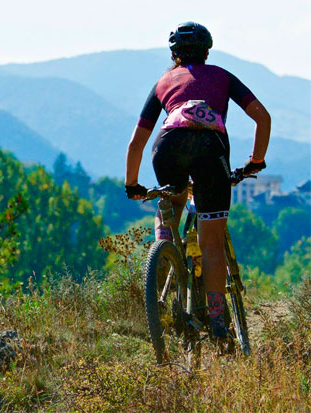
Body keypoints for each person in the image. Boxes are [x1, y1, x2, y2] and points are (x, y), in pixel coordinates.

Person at [124, 22, 271, 337]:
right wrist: (255, 161)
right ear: (207, 51)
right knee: (211, 243)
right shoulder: (221, 76)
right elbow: (263, 117)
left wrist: (132, 184)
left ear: (173, 53)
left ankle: (163, 250)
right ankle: (219, 323)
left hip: (166, 145)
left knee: (172, 202)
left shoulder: (163, 81)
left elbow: (136, 143)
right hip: (209, 149)